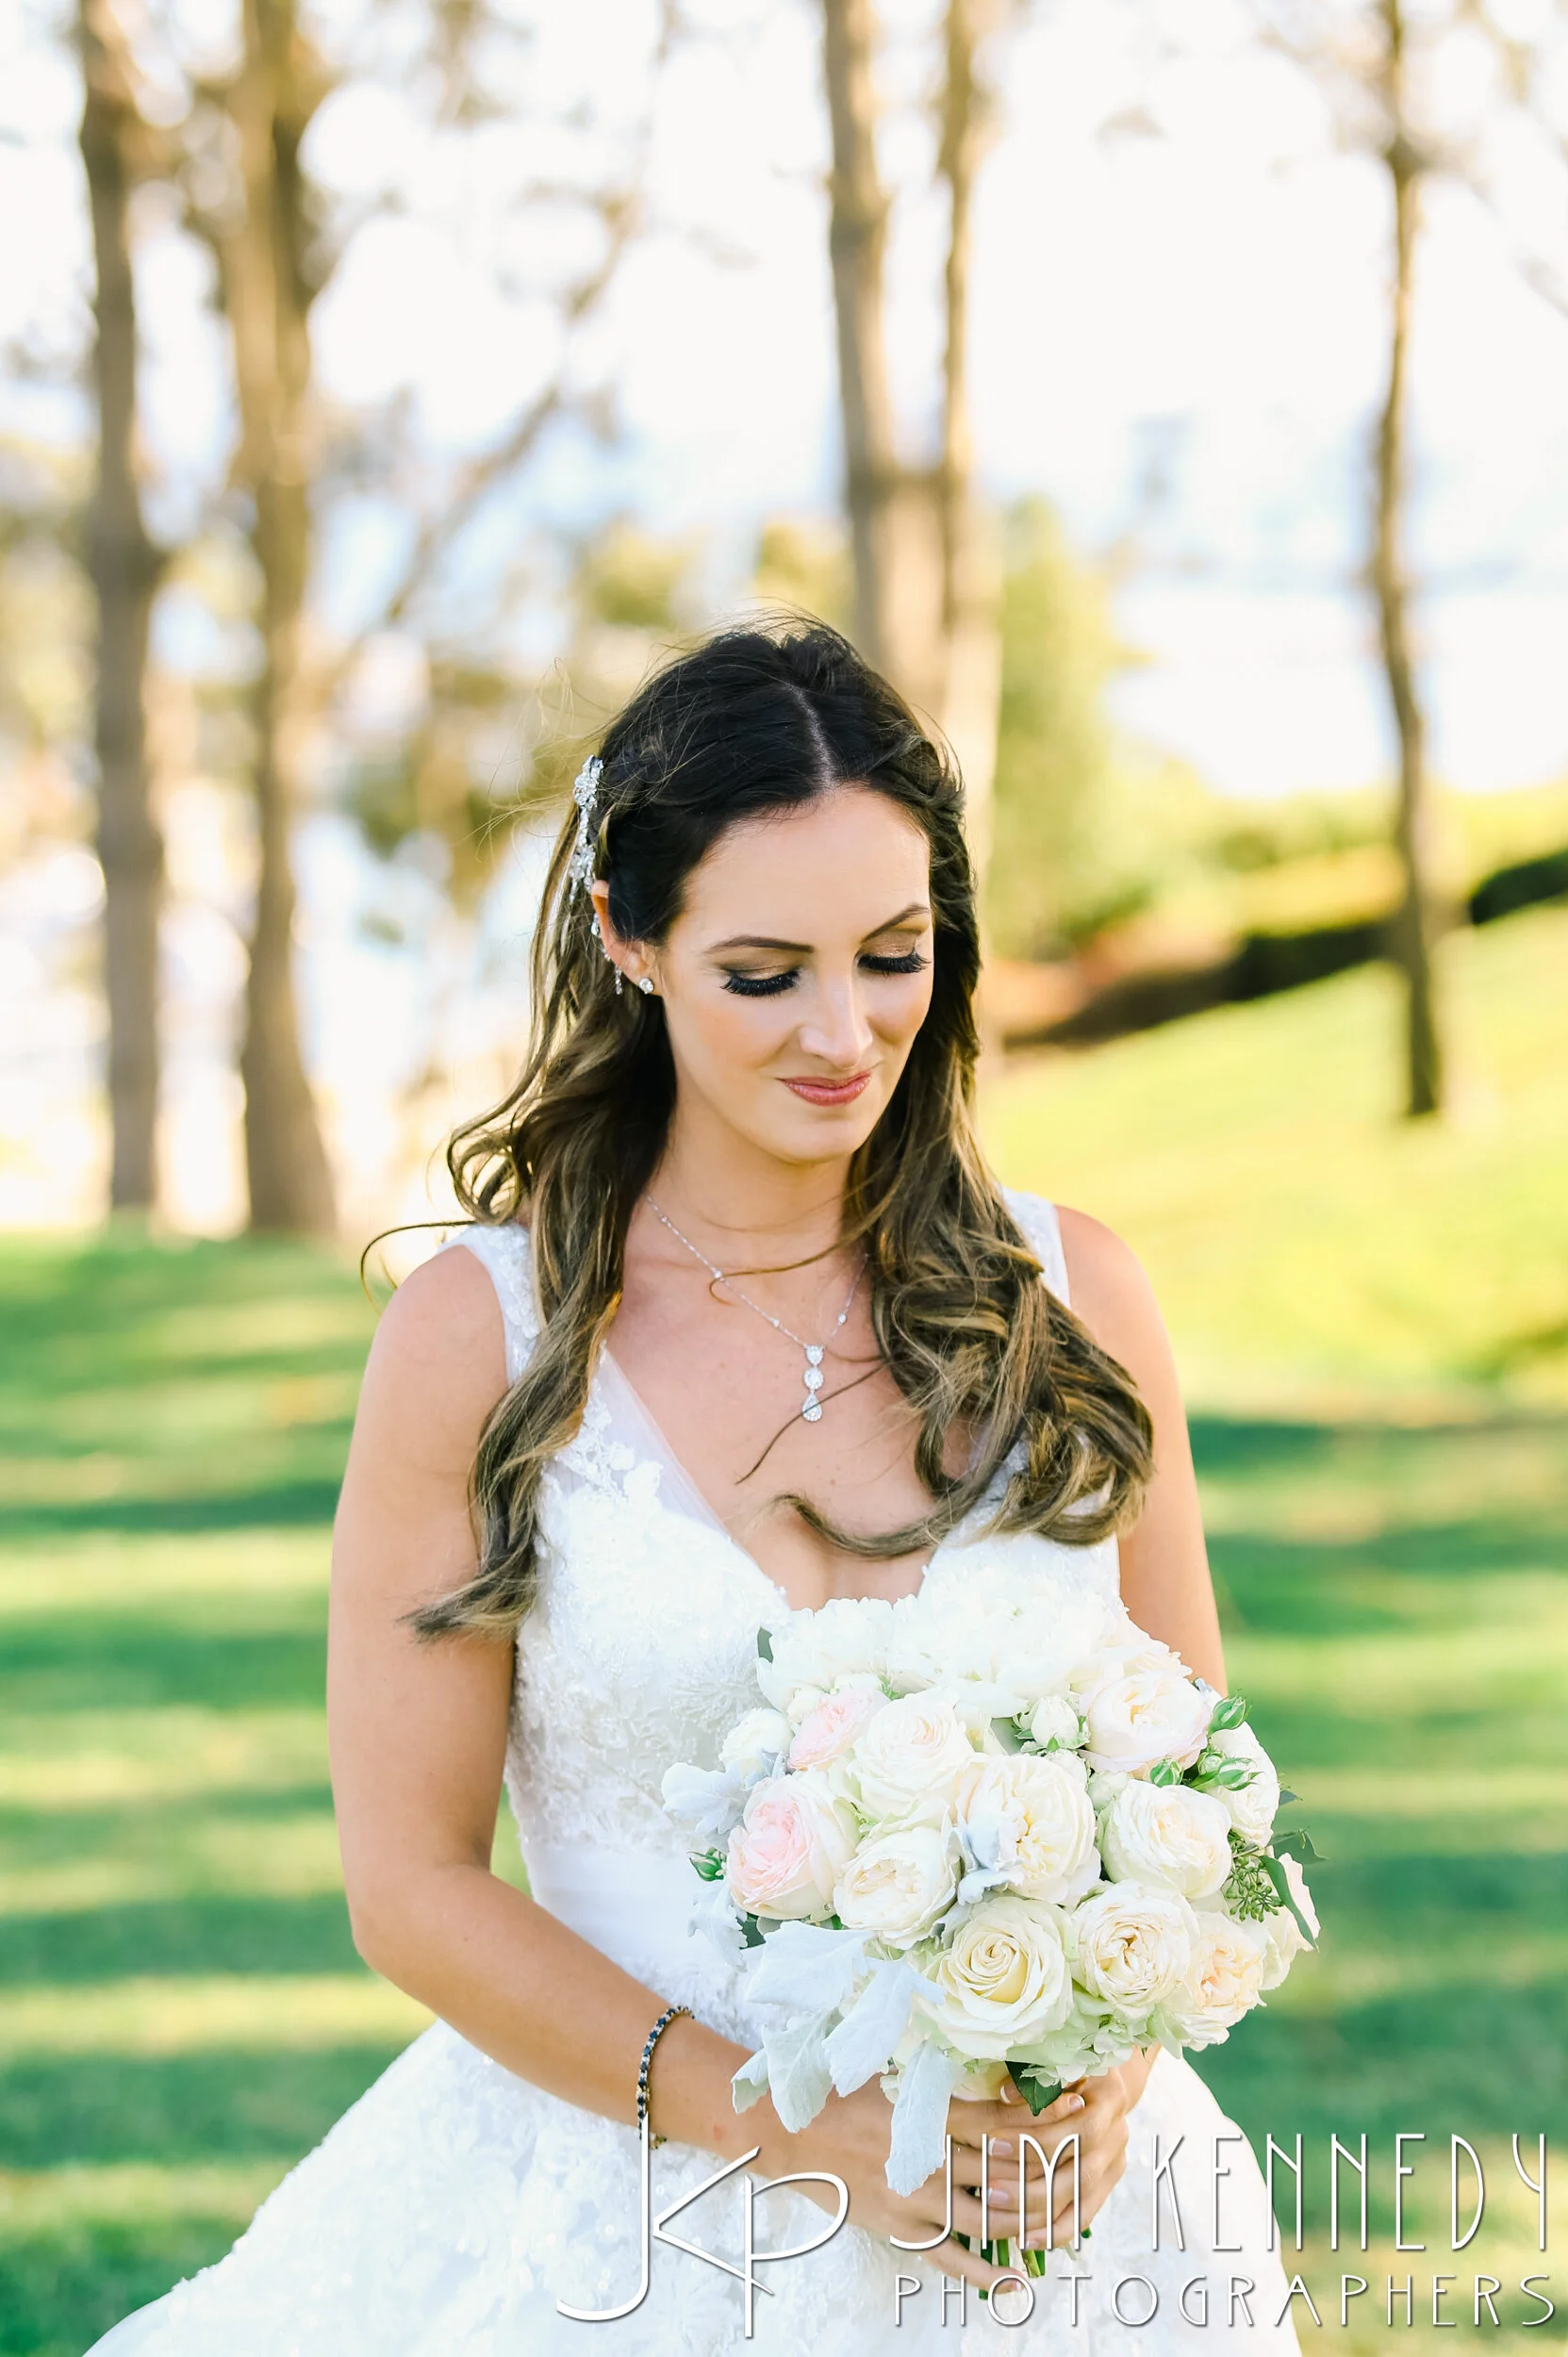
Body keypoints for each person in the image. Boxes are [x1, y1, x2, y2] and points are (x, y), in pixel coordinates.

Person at [88, 620, 1299, 2352]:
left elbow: (1197, 1788)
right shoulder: (482, 1340)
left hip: (1064, 2226)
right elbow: (410, 1886)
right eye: (762, 973)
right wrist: (788, 2126)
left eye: (892, 955)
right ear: (627, 938)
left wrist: (1109, 2067)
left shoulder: (1074, 1300)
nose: (843, 1032)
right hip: (627, 2217)